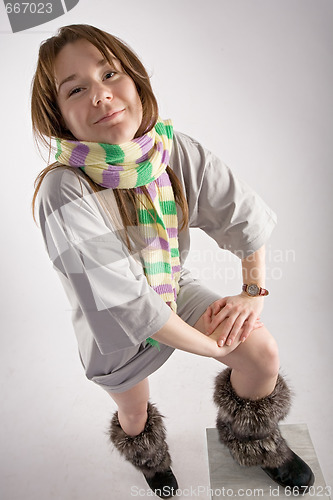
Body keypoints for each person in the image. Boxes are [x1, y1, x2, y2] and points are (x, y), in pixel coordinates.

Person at [31, 24, 314, 499]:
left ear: (136, 81)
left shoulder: (170, 150)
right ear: (57, 116)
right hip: (111, 326)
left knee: (261, 352)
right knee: (134, 412)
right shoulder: (62, 191)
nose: (100, 96)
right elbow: (126, 303)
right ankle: (150, 459)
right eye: (77, 88)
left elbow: (241, 215)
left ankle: (256, 441)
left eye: (110, 74)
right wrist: (212, 348)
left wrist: (252, 295)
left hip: (172, 287)